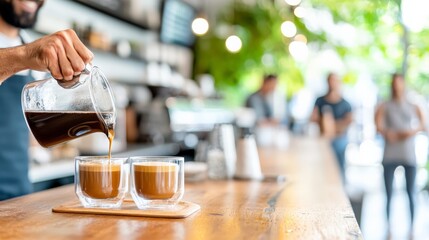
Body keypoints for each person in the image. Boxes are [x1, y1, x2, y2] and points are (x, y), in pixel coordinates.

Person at [0, 0, 93, 200]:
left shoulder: (33, 49)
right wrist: (23, 55)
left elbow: (28, 129)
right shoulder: (29, 52)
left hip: (17, 196)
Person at [375, 73, 424, 237]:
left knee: (411, 192)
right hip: (390, 154)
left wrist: (410, 132)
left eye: (399, 83)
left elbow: (423, 124)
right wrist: (387, 133)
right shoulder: (385, 105)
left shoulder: (413, 105)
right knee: (388, 193)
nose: (397, 86)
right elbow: (378, 124)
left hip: (409, 154)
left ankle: (412, 226)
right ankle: (388, 226)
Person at [311, 73, 353, 181]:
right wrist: (324, 122)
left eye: (334, 81)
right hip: (323, 138)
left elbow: (349, 121)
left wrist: (331, 124)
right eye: (330, 80)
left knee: (339, 166)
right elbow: (313, 117)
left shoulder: (345, 103)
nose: (332, 83)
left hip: (339, 139)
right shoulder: (320, 101)